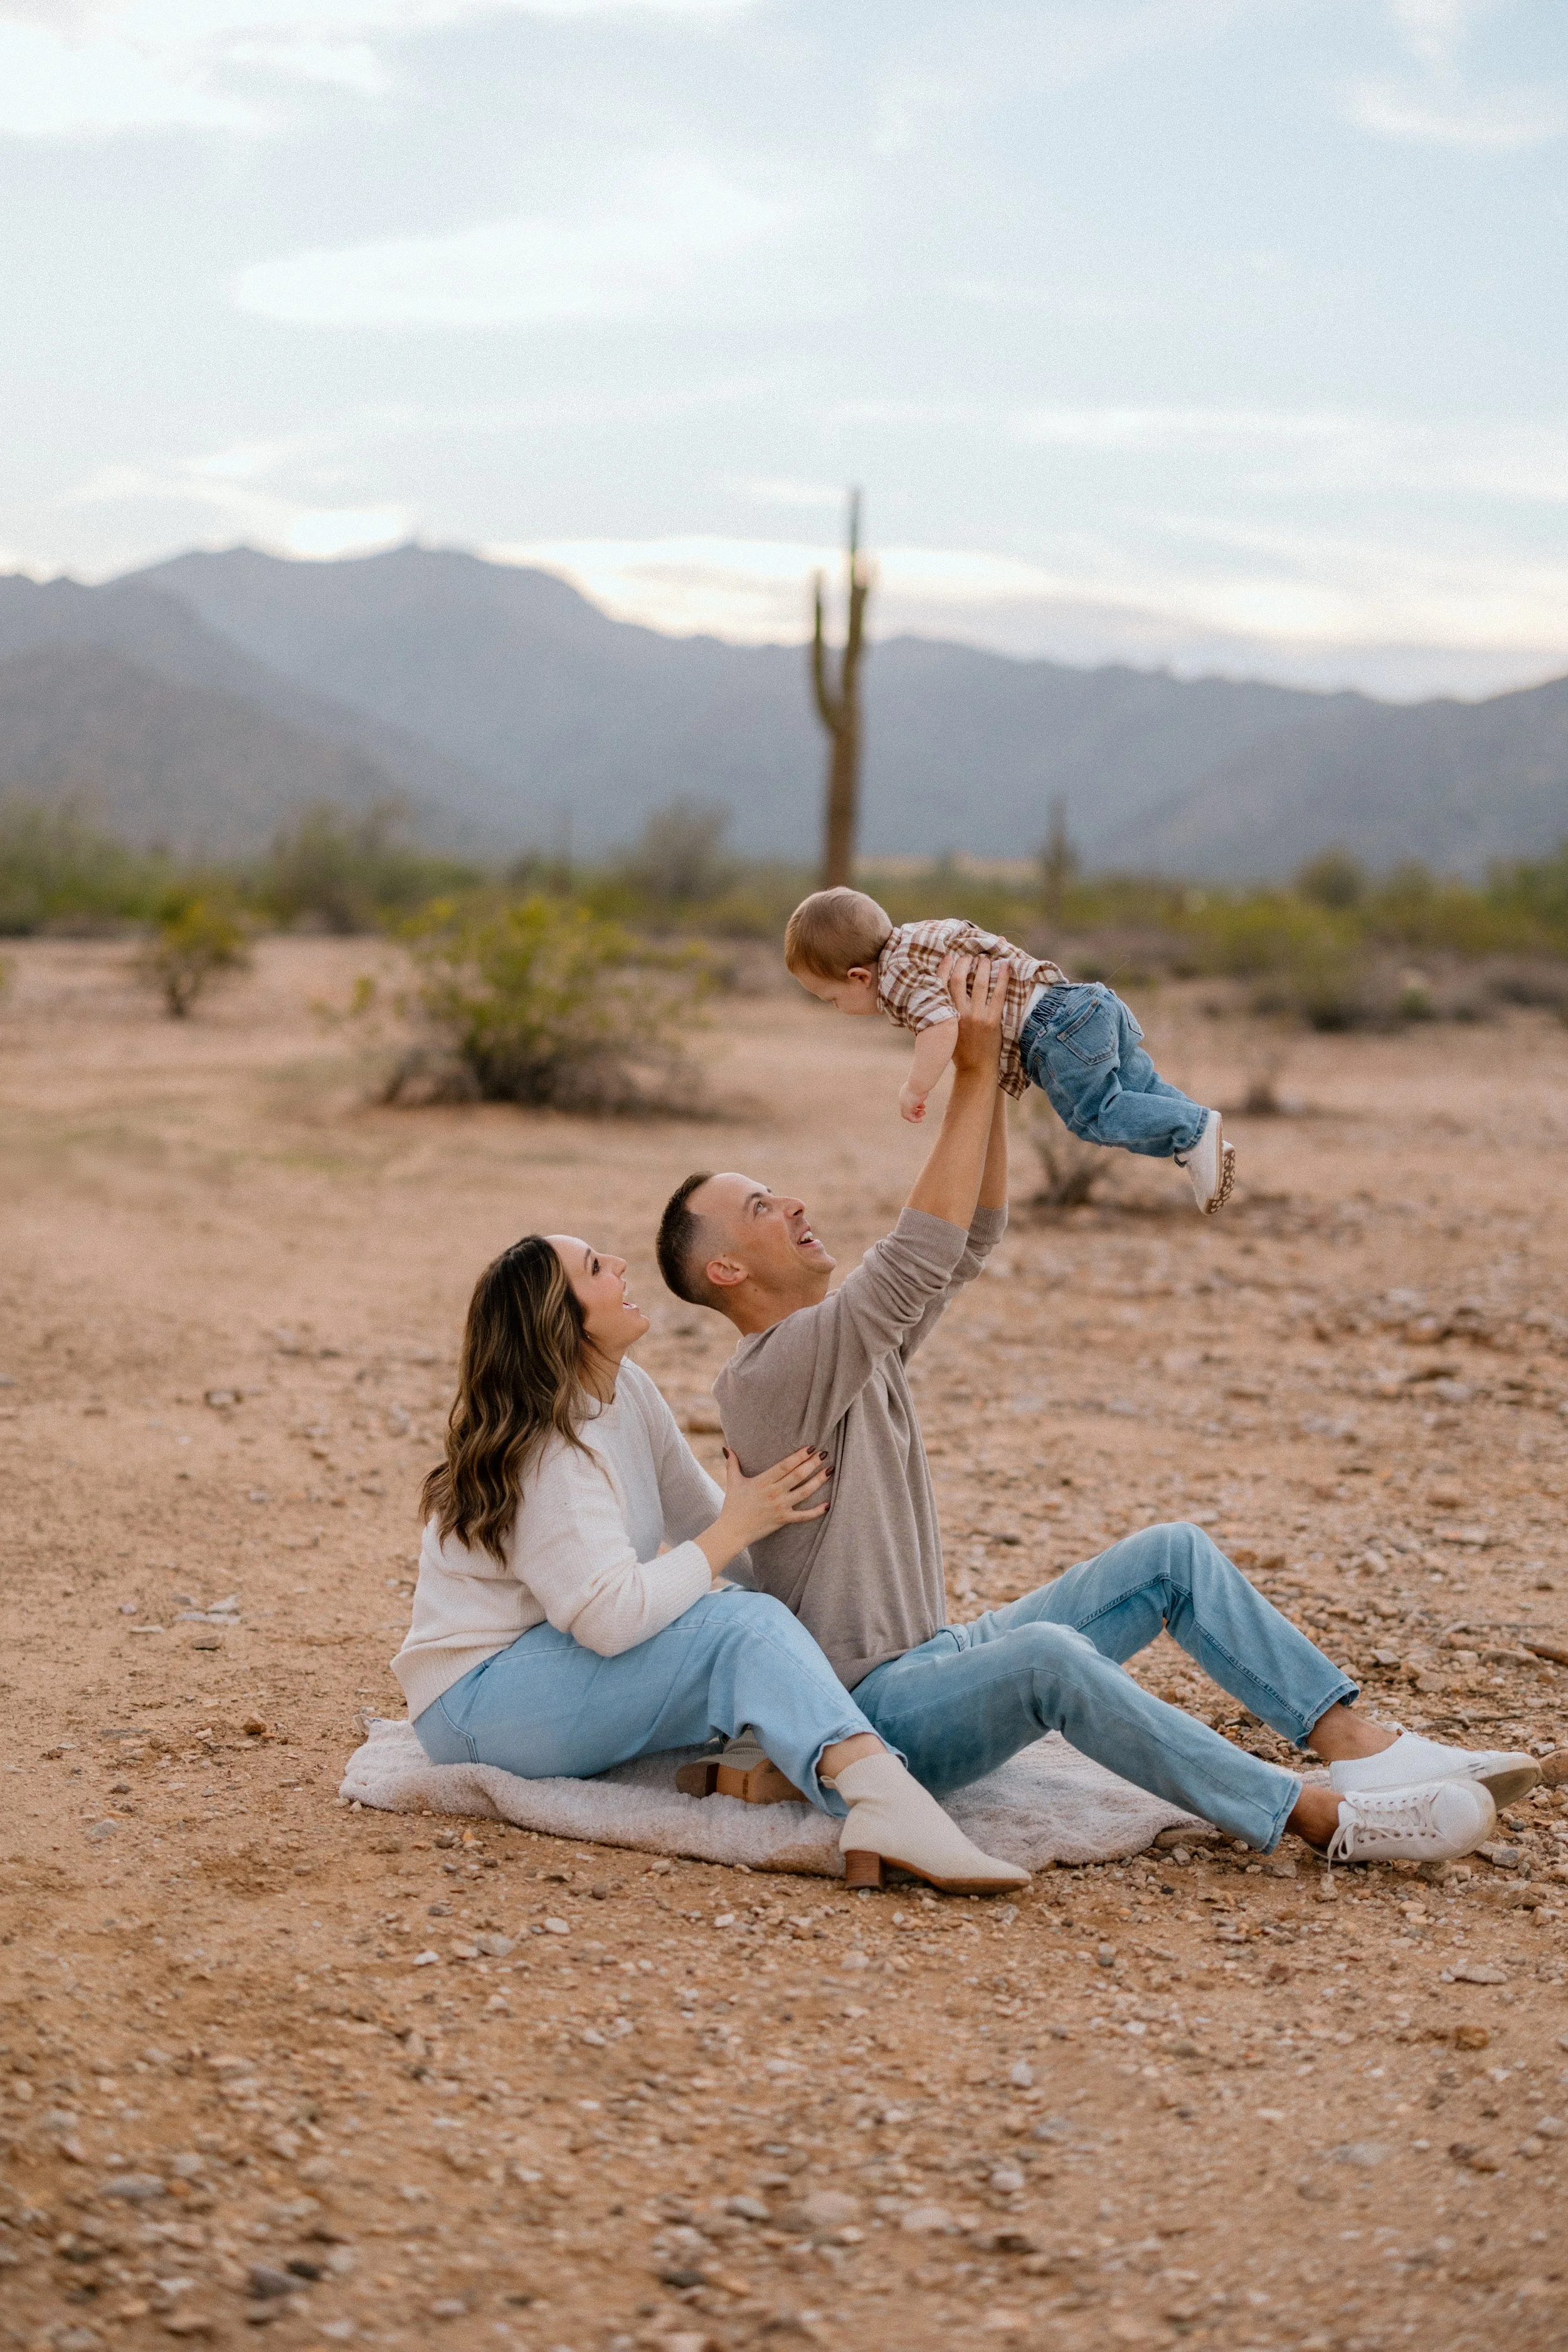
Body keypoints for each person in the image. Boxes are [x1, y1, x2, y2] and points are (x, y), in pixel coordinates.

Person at [655, 955, 1537, 1875]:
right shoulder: (767, 1373)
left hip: (938, 1656)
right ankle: (1319, 1818)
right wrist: (968, 1068)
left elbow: (968, 1239)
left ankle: (1357, 1742)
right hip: (869, 1712)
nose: (793, 1200)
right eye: (761, 1206)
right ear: (726, 1270)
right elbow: (919, 1252)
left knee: (1172, 1555)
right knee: (1046, 1656)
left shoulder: (843, 1349)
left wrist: (995, 1081)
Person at [391, 1231, 1029, 1894]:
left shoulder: (625, 1390)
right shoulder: (551, 1454)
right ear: (564, 1322)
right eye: (594, 1268)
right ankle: (888, 1805)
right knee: (736, 1627)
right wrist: (739, 1533)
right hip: (475, 1707)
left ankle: (839, 1770)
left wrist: (804, 1590)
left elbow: (698, 1515)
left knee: (752, 1622)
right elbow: (612, 1618)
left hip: (543, 1668)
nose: (619, 1265)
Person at [783, 886, 1233, 1214]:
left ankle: (1192, 1130)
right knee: (1141, 1087)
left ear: (859, 976)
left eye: (832, 999)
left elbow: (939, 1025)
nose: (839, 1010)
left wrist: (915, 1087)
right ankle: (1203, 1139)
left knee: (1095, 1115)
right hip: (1083, 1003)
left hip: (1053, 1033)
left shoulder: (897, 978)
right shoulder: (918, 938)